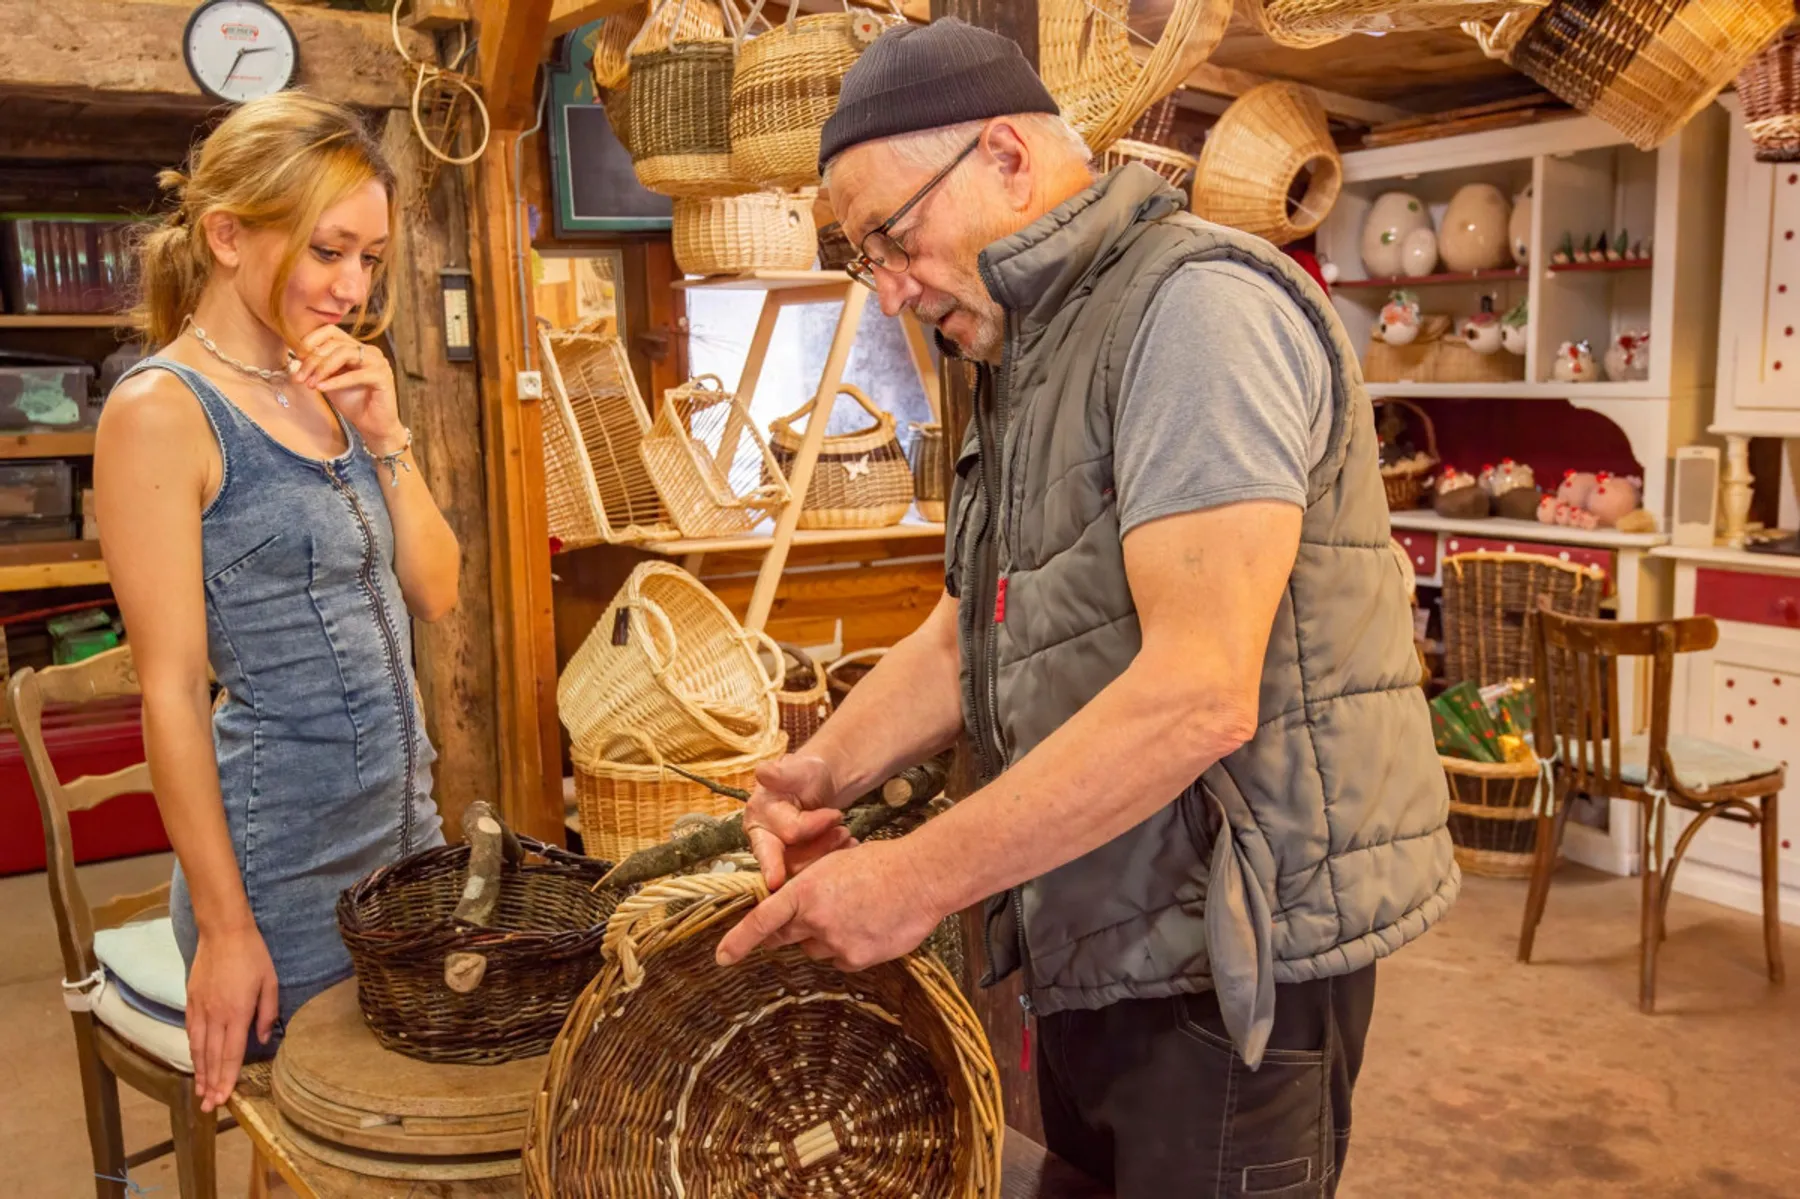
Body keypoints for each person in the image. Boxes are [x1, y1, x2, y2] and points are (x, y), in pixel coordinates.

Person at [713, 20, 1458, 1197]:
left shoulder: (1196, 314)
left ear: (1007, 156)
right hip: (1105, 929)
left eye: (893, 238)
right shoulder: (1036, 349)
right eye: (866, 259)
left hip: (1228, 966)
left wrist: (914, 879)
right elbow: (976, 627)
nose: (892, 285)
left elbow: (1198, 694)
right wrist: (823, 772)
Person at [96, 92, 459, 1114]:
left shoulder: (330, 386)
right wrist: (225, 928)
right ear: (226, 235)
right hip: (279, 869)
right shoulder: (161, 411)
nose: (352, 286)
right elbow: (171, 691)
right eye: (327, 251)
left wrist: (386, 434)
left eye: (370, 258)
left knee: (403, 1128)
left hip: (405, 828)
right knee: (310, 1140)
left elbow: (436, 591)